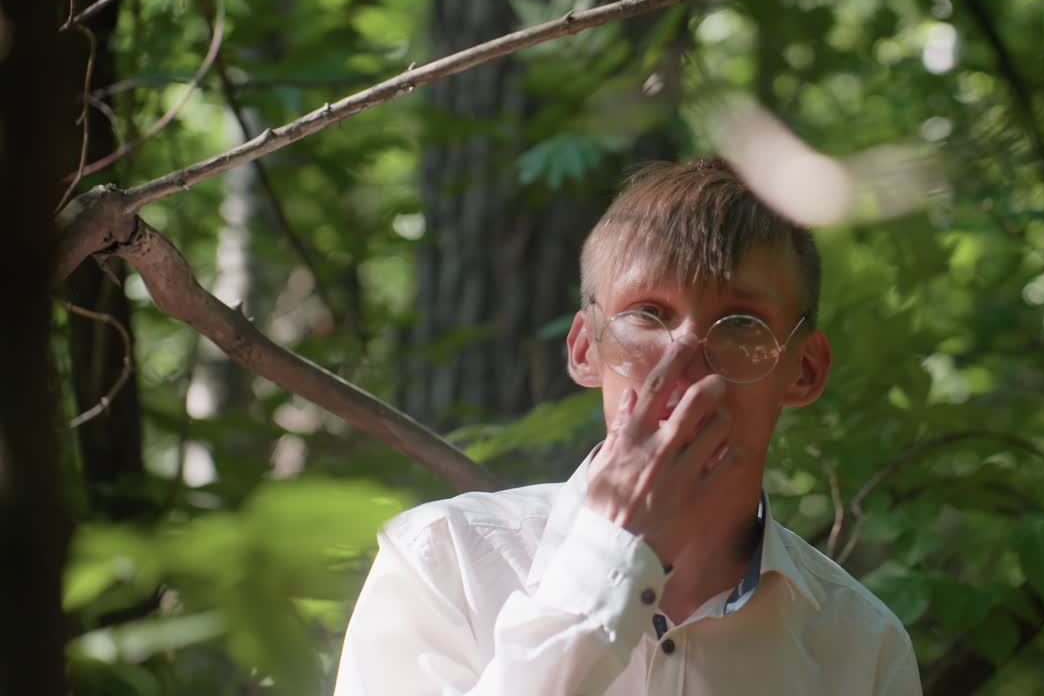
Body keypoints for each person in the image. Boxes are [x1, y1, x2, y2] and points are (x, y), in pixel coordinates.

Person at [334, 158, 922, 695]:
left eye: (740, 322)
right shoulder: (444, 560)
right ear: (586, 347)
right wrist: (607, 563)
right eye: (648, 313)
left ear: (805, 369)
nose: (685, 358)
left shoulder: (863, 647)